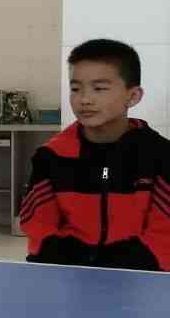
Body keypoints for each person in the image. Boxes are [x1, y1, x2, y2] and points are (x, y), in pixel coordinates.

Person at [20, 38, 170, 272]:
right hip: (66, 274)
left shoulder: (161, 155)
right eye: (75, 89)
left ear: (133, 96)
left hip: (140, 276)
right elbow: (38, 227)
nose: (85, 99)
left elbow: (164, 237)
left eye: (99, 88)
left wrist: (107, 267)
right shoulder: (50, 157)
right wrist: (83, 267)